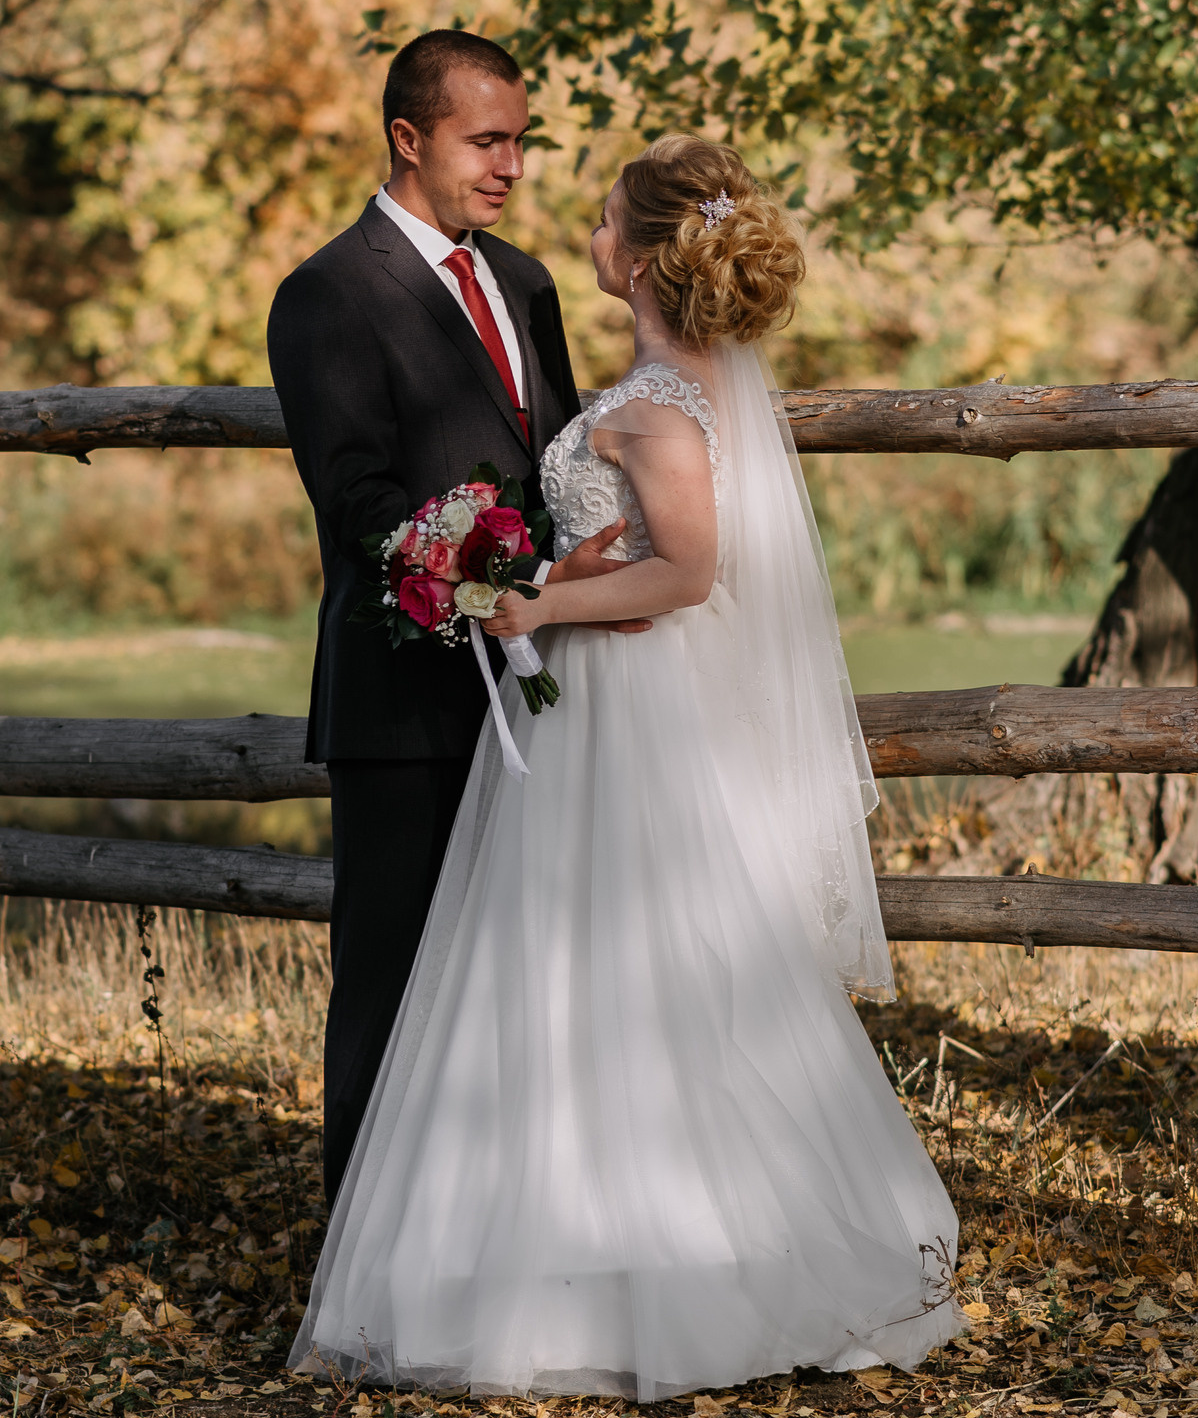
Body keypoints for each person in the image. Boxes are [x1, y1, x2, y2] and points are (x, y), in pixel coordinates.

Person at [289, 135, 963, 1399]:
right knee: (580, 975)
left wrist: (537, 605)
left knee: (631, 969)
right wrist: (545, 577)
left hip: (622, 712)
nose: (587, 235)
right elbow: (635, 552)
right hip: (599, 705)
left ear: (649, 257)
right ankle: (586, 1246)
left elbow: (690, 573)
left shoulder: (660, 403)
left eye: (607, 221)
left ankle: (670, 1265)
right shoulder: (664, 384)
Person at [267, 29, 642, 1205]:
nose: (513, 166)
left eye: (523, 141)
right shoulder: (328, 295)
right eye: (488, 141)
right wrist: (491, 588)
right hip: (405, 704)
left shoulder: (527, 283)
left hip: (542, 691)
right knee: (392, 984)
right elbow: (361, 502)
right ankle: (361, 1262)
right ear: (407, 137)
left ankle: (498, 1235)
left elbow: (564, 463)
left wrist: (571, 586)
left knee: (527, 980)